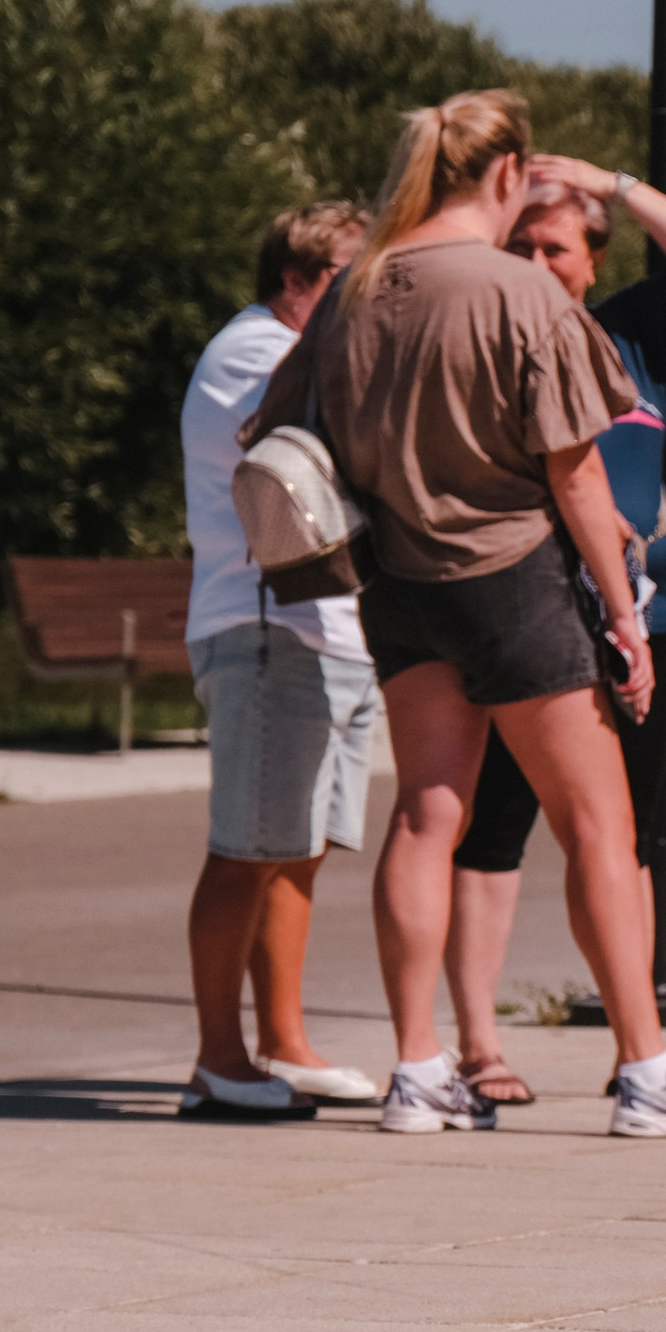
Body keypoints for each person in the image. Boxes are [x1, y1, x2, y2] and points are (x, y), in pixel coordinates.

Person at [244, 89, 666, 1139]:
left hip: (398, 582)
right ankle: (646, 1069)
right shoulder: (518, 291)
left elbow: (270, 422)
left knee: (426, 815)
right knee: (598, 826)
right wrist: (623, 616)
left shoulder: (357, 286)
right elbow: (576, 473)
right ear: (507, 173)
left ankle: (418, 1069)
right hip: (513, 577)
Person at [440, 159, 666, 1128]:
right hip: (529, 611)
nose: (538, 262)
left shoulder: (634, 332)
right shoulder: (488, 335)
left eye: (556, 247)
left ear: (592, 260)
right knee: (492, 831)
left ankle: (636, 1051)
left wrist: (610, 183)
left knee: (626, 839)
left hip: (646, 620)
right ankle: (479, 1046)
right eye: (520, 245)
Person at [179, 200, 383, 1119]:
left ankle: (284, 1045)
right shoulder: (255, 351)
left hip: (327, 632)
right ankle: (217, 1059)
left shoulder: (291, 343)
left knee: (294, 850)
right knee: (244, 850)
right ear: (299, 280)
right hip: (266, 630)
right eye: (351, 276)